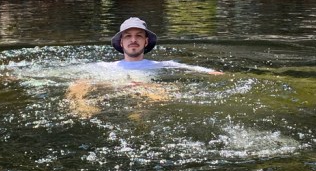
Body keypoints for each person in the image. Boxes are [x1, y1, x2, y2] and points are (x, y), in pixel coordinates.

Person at [66, 17, 218, 118]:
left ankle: (140, 114)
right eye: (128, 36)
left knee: (165, 90)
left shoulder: (162, 65)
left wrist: (214, 73)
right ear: (121, 42)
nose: (133, 40)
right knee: (79, 83)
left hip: (145, 90)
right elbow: (63, 73)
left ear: (146, 42)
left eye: (138, 35)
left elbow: (195, 69)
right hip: (111, 86)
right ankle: (82, 107)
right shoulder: (104, 66)